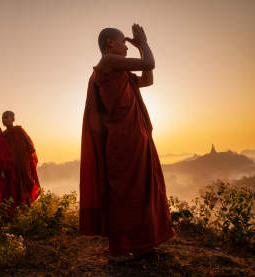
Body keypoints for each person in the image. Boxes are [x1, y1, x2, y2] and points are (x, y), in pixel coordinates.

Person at [79, 24, 175, 262]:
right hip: (122, 140)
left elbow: (148, 79)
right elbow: (149, 63)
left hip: (136, 137)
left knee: (141, 191)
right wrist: (143, 44)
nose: (126, 45)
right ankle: (118, 250)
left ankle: (143, 243)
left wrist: (142, 48)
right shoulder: (108, 62)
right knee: (124, 194)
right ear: (110, 43)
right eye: (123, 41)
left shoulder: (120, 72)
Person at [2, 111, 40, 207]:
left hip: (22, 164)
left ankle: (28, 208)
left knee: (26, 185)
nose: (4, 120)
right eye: (3, 118)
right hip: (11, 165)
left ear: (13, 119)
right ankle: (16, 210)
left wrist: (26, 157)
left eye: (6, 117)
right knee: (14, 187)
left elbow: (29, 145)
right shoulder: (3, 135)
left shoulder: (19, 130)